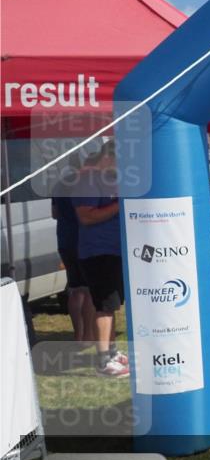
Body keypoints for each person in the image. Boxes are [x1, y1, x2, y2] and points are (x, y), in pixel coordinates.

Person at [73, 142, 128, 377]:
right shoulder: (87, 180)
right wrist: (119, 205)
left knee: (111, 304)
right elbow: (85, 216)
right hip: (97, 251)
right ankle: (103, 360)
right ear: (107, 157)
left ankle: (112, 352)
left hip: (113, 250)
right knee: (104, 305)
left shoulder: (110, 180)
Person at [51, 158, 95, 345]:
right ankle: (88, 336)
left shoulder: (59, 185)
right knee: (88, 291)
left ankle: (78, 334)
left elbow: (54, 214)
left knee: (75, 289)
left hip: (65, 240)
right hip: (84, 241)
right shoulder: (87, 184)